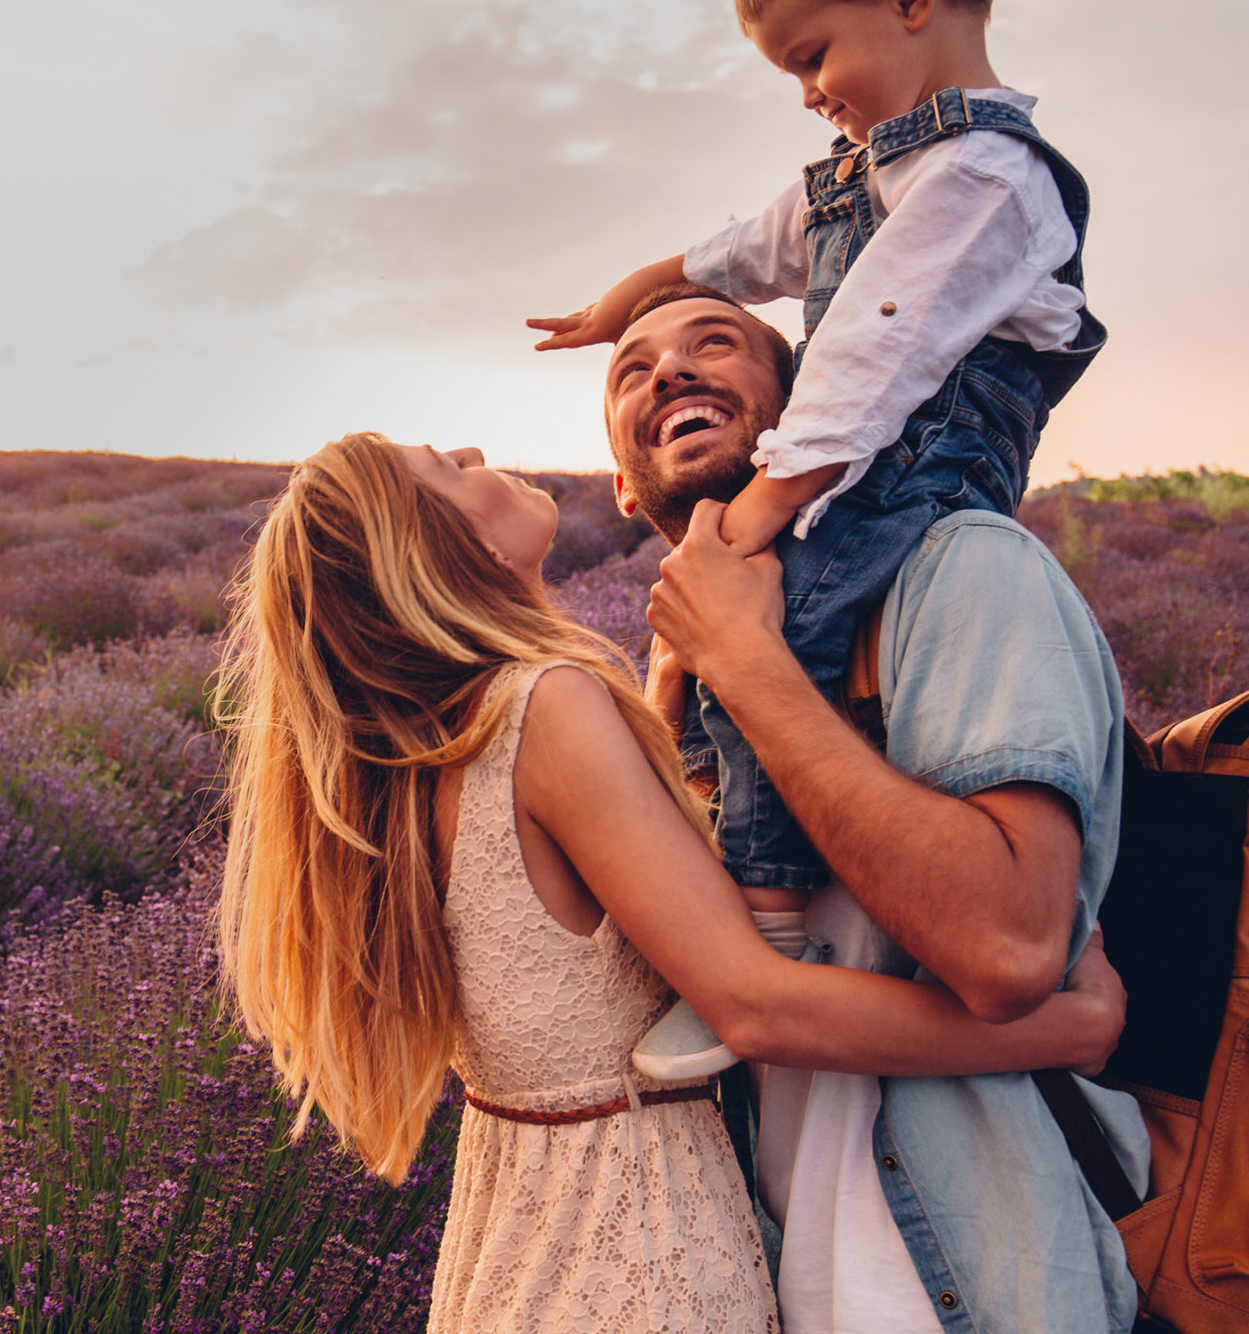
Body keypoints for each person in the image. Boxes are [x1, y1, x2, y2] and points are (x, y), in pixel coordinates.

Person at [210, 431, 1124, 1334]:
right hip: (641, 1260)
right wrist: (1058, 1027)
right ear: (452, 549)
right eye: (448, 469)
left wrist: (659, 703)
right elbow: (757, 1006)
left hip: (514, 1250)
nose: (477, 450)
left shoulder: (426, 754)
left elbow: (570, 919)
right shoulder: (545, 707)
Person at [527, 0, 1108, 1081]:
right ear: (621, 486)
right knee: (738, 626)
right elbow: (747, 247)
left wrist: (767, 513)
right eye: (633, 371)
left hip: (927, 466)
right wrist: (642, 284)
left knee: (776, 619)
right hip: (861, 455)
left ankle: (764, 916)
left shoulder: (982, 177)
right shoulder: (870, 171)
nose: (805, 91)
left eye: (811, 56)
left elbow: (868, 363)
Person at [609, 284, 1147, 1333]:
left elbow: (1005, 945)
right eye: (632, 369)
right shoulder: (673, 698)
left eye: (713, 343)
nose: (669, 369)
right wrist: (682, 690)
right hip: (765, 1280)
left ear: (815, 409)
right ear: (625, 492)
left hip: (981, 1281)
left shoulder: (960, 571)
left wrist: (748, 664)